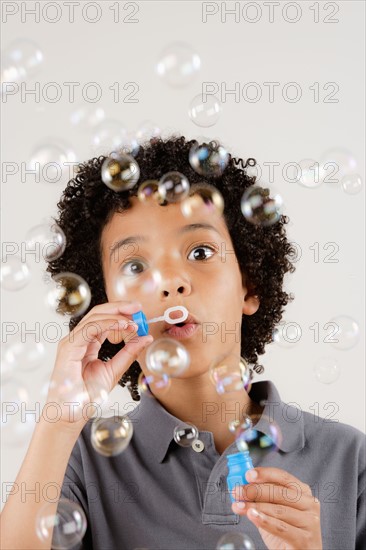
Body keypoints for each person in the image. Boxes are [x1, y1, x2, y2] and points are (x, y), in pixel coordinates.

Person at [1, 135, 365, 550]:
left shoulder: (349, 458)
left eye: (200, 252)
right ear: (106, 304)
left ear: (250, 286)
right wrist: (61, 415)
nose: (171, 282)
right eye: (136, 265)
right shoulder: (79, 461)